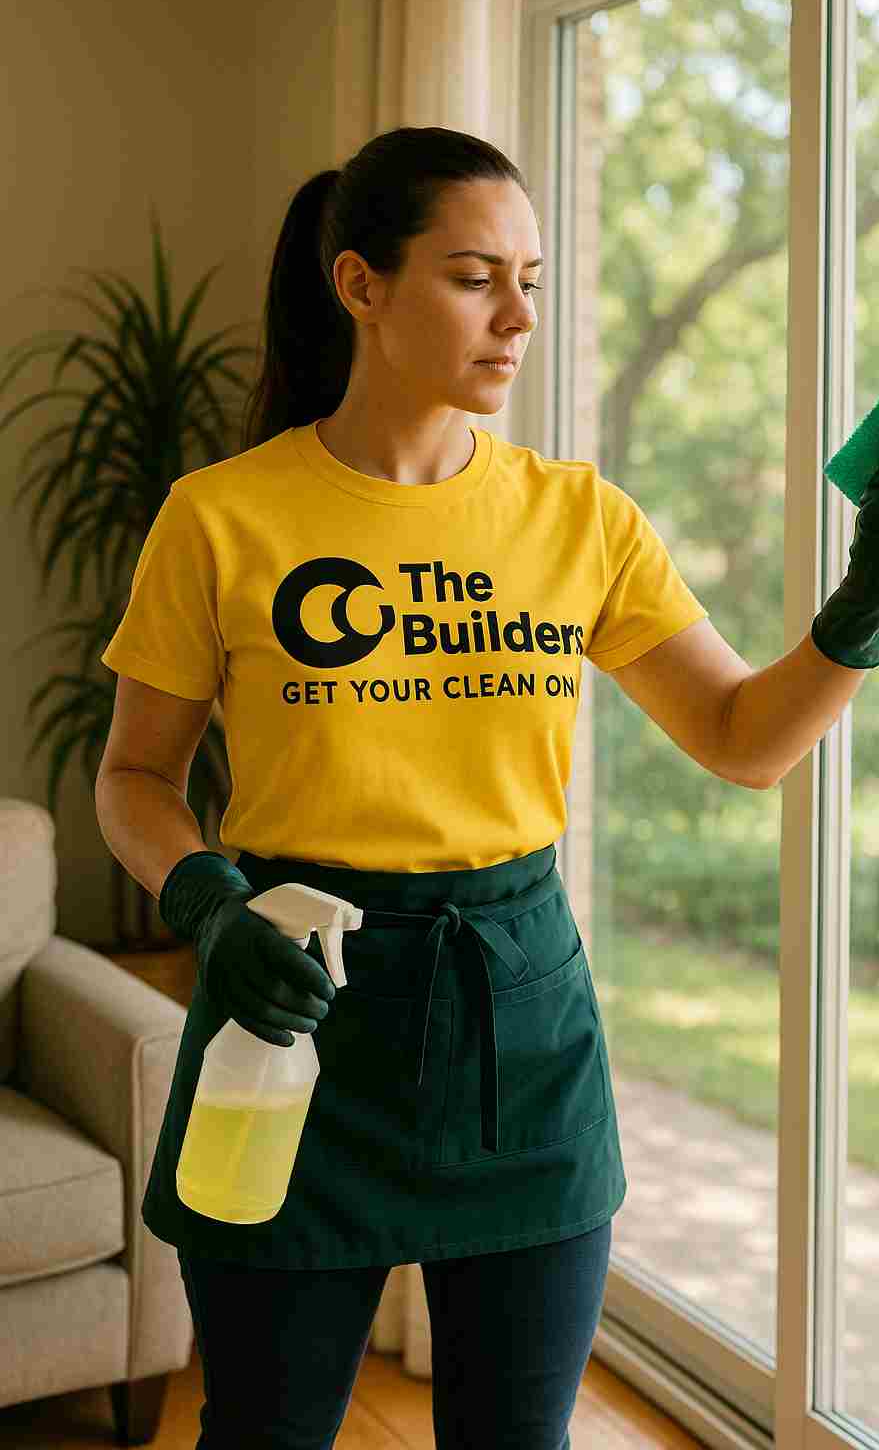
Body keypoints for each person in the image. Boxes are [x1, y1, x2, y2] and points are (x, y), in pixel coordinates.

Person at [96, 126, 711, 1449]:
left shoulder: (582, 519)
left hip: (522, 1027)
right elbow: (134, 777)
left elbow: (743, 735)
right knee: (262, 1435)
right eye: (476, 276)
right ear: (362, 285)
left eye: (532, 281)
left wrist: (869, 597)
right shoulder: (220, 516)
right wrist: (208, 907)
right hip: (288, 1008)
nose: (518, 317)